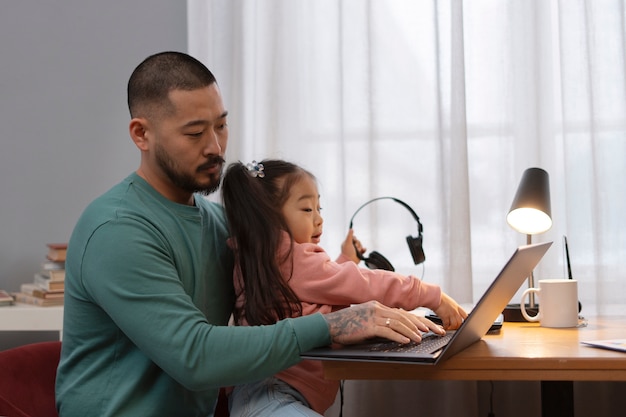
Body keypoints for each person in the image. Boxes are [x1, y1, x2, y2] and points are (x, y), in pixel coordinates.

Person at [54, 51, 438, 417]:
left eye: (221, 125)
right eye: (194, 133)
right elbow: (196, 356)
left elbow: (293, 289)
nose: (216, 146)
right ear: (142, 134)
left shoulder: (220, 223)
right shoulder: (117, 230)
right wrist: (332, 326)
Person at [221, 159, 468, 416]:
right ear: (267, 216)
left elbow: (312, 291)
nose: (319, 219)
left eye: (319, 207)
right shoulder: (290, 258)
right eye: (307, 209)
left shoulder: (266, 257)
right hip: (272, 397)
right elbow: (364, 283)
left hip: (263, 393)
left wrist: (345, 260)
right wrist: (429, 295)